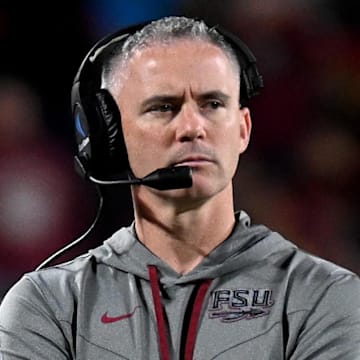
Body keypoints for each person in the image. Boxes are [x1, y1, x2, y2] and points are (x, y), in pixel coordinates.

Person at [0, 15, 359, 360]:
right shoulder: (50, 306)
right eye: (163, 107)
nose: (192, 127)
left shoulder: (324, 296)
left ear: (242, 130)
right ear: (110, 138)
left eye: (213, 104)